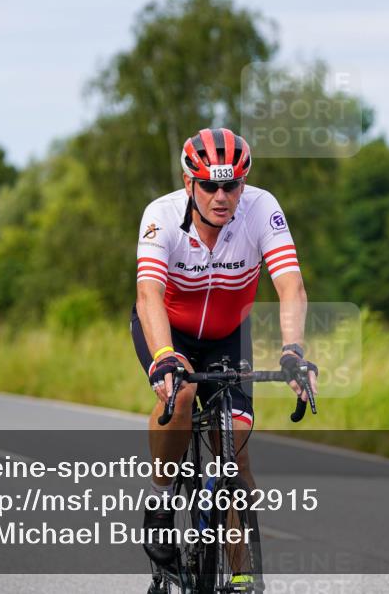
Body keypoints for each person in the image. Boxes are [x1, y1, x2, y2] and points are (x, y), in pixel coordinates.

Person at [130, 128, 318, 573]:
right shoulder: (161, 214)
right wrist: (164, 357)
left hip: (228, 333)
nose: (221, 196)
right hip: (170, 331)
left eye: (231, 184)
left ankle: (241, 576)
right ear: (187, 182)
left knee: (234, 452)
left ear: (243, 184)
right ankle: (160, 503)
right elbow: (148, 293)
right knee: (181, 396)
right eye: (210, 185)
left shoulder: (261, 209)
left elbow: (290, 284)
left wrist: (293, 350)